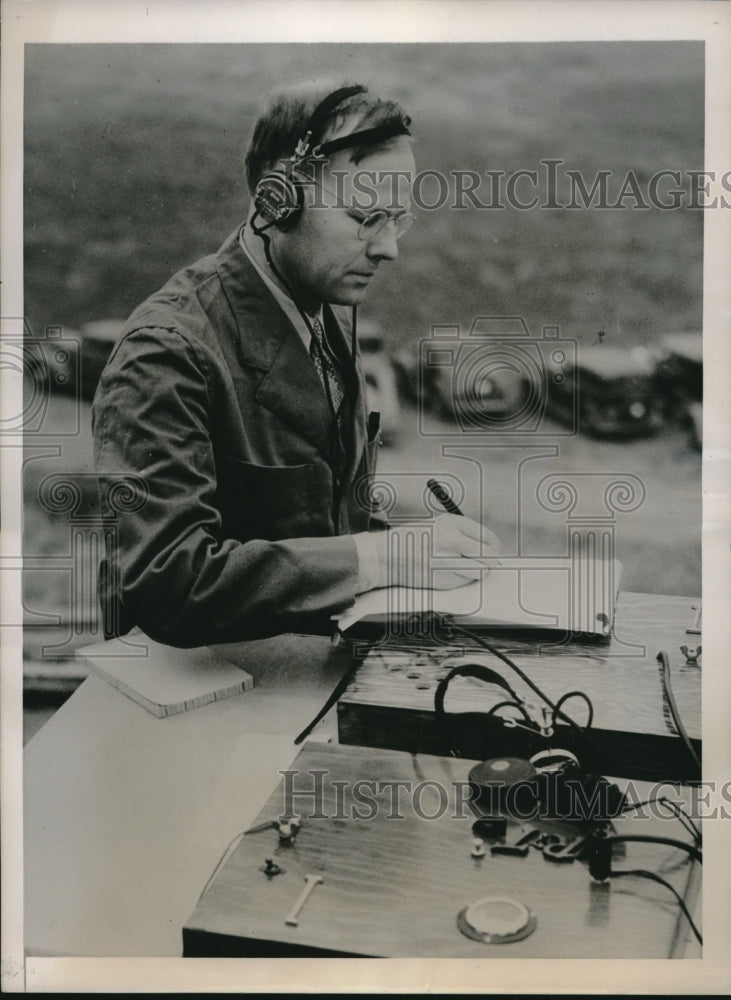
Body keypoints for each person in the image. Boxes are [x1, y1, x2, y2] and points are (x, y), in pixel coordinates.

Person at [92, 79, 498, 647]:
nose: (388, 249)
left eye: (397, 220)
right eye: (365, 217)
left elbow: (311, 522)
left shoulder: (323, 308)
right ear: (276, 200)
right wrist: (386, 556)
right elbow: (167, 584)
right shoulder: (165, 353)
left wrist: (420, 547)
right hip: (189, 694)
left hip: (295, 665)